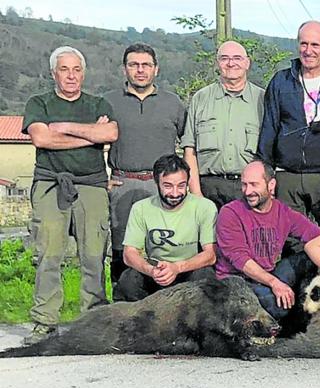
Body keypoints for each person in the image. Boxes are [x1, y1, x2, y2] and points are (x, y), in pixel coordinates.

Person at [22, 46, 119, 344]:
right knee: (49, 254)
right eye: (64, 69)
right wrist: (89, 134)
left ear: (84, 73)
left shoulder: (98, 103)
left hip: (91, 185)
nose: (71, 75)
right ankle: (45, 322)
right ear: (53, 73)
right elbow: (41, 137)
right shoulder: (39, 103)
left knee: (93, 255)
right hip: (50, 184)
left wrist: (62, 129)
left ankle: (93, 320)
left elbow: (110, 134)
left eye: (76, 69)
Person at [104, 43, 187, 286]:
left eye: (146, 65)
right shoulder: (108, 102)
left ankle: (160, 308)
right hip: (123, 185)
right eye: (134, 65)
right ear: (124, 69)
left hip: (162, 187)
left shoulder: (173, 103)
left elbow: (191, 144)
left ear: (156, 69)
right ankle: (122, 302)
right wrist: (101, 177)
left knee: (164, 246)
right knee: (123, 248)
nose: (140, 70)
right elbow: (92, 142)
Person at [259, 21, 320, 229]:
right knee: (292, 239)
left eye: (315, 45)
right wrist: (266, 176)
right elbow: (269, 129)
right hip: (287, 176)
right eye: (304, 44)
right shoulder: (280, 81)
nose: (308, 51)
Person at [214, 161, 320, 320]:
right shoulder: (230, 213)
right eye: (244, 185)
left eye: (254, 185)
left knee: (311, 257)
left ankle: (302, 308)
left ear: (271, 185)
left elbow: (317, 235)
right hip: (238, 280)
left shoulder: (283, 212)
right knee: (277, 305)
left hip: (268, 273)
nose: (248, 191)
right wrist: (275, 283)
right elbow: (240, 260)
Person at [115, 155, 218, 302]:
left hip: (188, 269)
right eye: (168, 186)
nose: (175, 193)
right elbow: (129, 254)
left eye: (181, 186)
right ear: (157, 182)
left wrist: (177, 268)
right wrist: (151, 270)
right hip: (155, 269)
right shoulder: (141, 208)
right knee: (128, 280)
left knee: (205, 277)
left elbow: (211, 255)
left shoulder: (205, 207)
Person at [180, 40, 264, 207]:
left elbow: (270, 152)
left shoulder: (263, 100)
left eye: (237, 58)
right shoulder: (200, 98)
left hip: (249, 189)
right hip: (208, 189)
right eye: (225, 58)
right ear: (217, 63)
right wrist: (197, 195)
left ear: (247, 63)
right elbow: (190, 150)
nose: (231, 63)